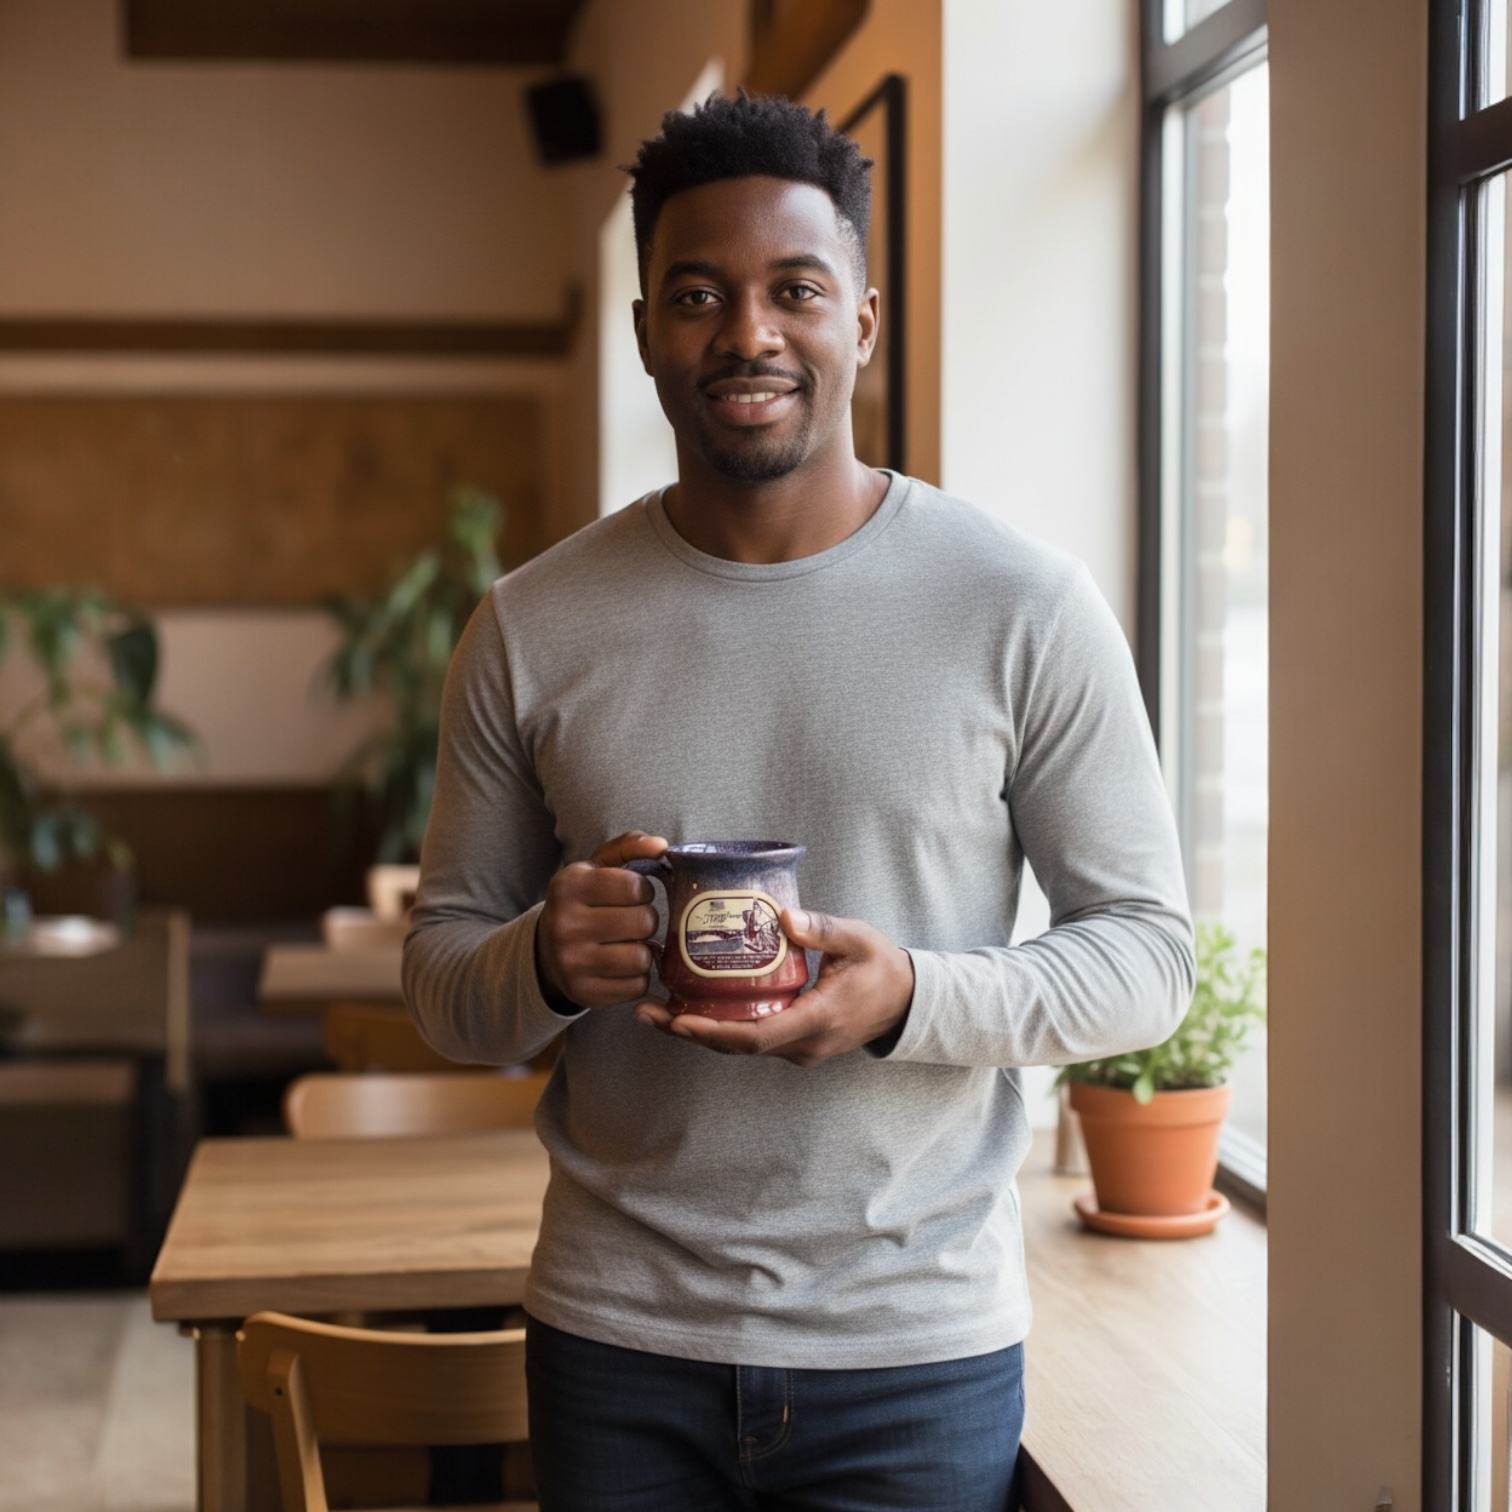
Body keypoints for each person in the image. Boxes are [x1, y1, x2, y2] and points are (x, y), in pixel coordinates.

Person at [404, 92, 1194, 1511]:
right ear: (648, 328)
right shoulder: (530, 625)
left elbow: (1147, 960)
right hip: (616, 1337)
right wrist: (537, 961)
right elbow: (442, 978)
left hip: (916, 1350)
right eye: (700, 295)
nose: (749, 333)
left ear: (864, 324)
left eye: (795, 291)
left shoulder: (1023, 605)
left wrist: (908, 1001)